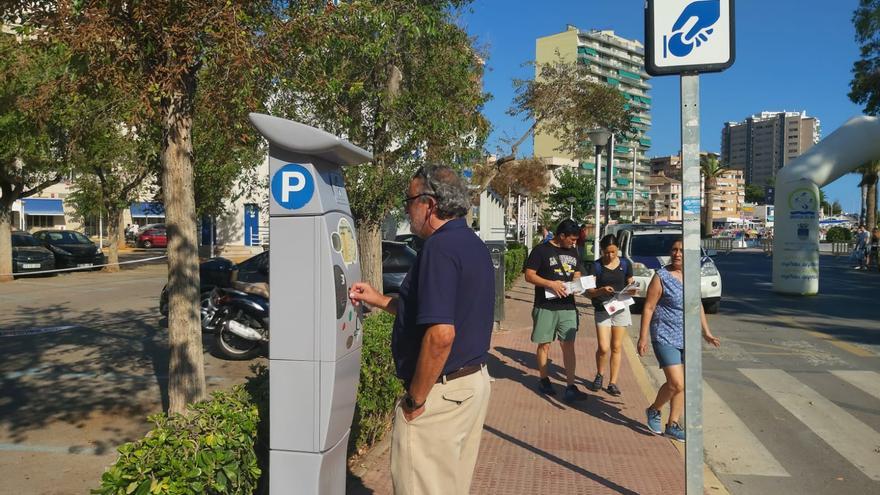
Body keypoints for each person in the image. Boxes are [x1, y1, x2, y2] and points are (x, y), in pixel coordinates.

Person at [349, 164, 494, 495]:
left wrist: (415, 399)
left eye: (409, 200)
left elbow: (441, 334)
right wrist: (380, 299)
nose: (406, 208)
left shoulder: (438, 249)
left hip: (439, 395)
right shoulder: (471, 243)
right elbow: (430, 312)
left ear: (429, 204)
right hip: (471, 385)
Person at [637, 238, 720, 442]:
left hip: (687, 336)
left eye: (681, 250)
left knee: (682, 384)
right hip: (664, 334)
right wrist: (642, 337)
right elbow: (648, 307)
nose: (677, 254)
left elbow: (697, 304)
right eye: (674, 250)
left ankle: (673, 424)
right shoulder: (661, 276)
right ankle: (654, 409)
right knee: (677, 383)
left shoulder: (691, 276)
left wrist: (706, 332)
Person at [523, 219, 587, 402]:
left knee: (568, 344)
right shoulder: (541, 250)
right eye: (571, 239)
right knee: (544, 344)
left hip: (567, 306)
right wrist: (550, 283)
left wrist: (577, 283)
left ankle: (570, 386)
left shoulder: (573, 251)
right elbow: (529, 275)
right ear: (561, 236)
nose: (573, 243)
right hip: (545, 305)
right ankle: (543, 379)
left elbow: (576, 272)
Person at [585, 234, 636, 396]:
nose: (610, 256)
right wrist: (601, 290)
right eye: (606, 252)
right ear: (602, 251)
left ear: (618, 250)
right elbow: (589, 291)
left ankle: (612, 382)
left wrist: (632, 288)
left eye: (613, 252)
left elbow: (631, 281)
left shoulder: (625, 264)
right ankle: (600, 374)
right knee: (603, 347)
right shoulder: (596, 266)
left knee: (616, 346)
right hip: (602, 308)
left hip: (620, 307)